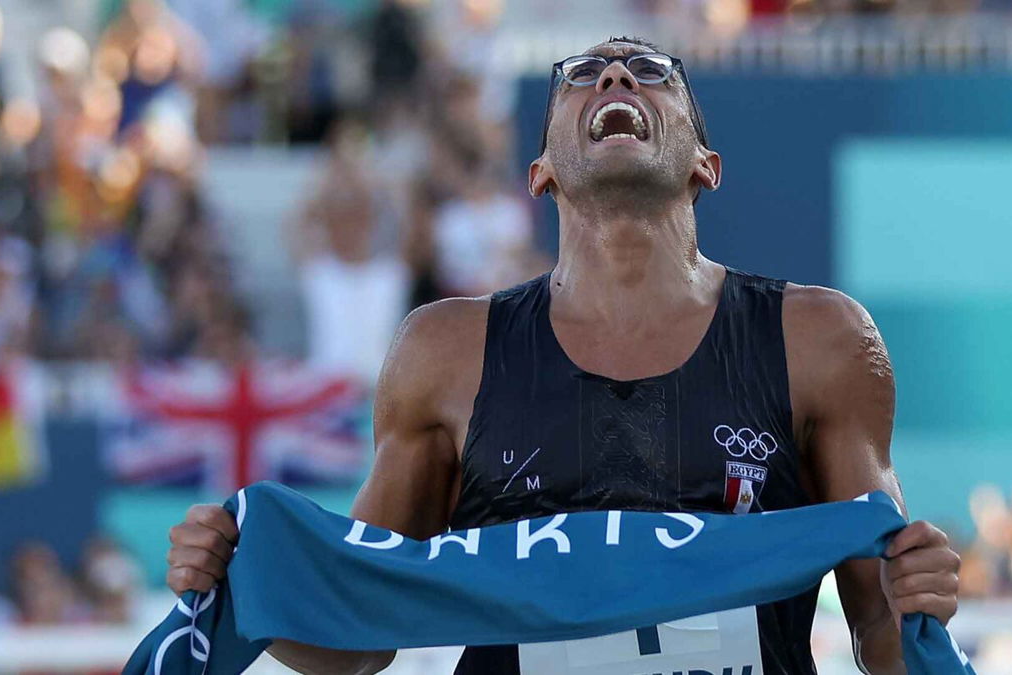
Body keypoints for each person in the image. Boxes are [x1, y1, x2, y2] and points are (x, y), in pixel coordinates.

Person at [164, 37, 962, 674]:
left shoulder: (818, 338)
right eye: (582, 75)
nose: (616, 75)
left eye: (653, 72)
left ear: (704, 166)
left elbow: (881, 641)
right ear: (540, 171)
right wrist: (240, 577)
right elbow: (357, 639)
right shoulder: (447, 351)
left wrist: (913, 592)